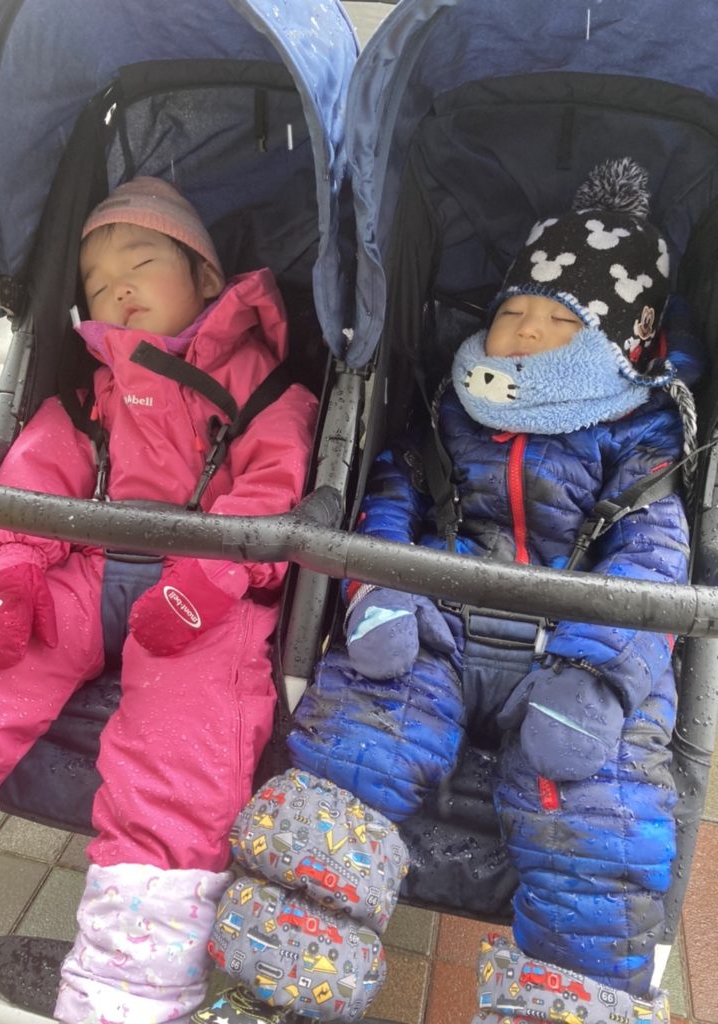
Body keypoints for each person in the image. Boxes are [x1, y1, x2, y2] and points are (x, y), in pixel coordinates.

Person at [201, 159, 699, 1024]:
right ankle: (276, 985)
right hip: (439, 616)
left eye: (560, 321)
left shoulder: (640, 430)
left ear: (620, 344)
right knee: (354, 751)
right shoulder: (452, 408)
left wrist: (600, 675)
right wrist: (377, 592)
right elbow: (392, 495)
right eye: (512, 313)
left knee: (598, 821)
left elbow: (654, 557)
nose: (526, 332)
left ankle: (564, 1006)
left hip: (574, 647)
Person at [0, 177, 318, 1024]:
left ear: (207, 278)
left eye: (142, 263)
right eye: (96, 279)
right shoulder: (93, 387)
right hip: (84, 563)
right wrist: (12, 572)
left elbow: (276, 484)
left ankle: (128, 986)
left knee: (184, 746)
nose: (117, 287)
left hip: (203, 593)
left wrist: (209, 575)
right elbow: (40, 473)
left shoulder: (263, 388)